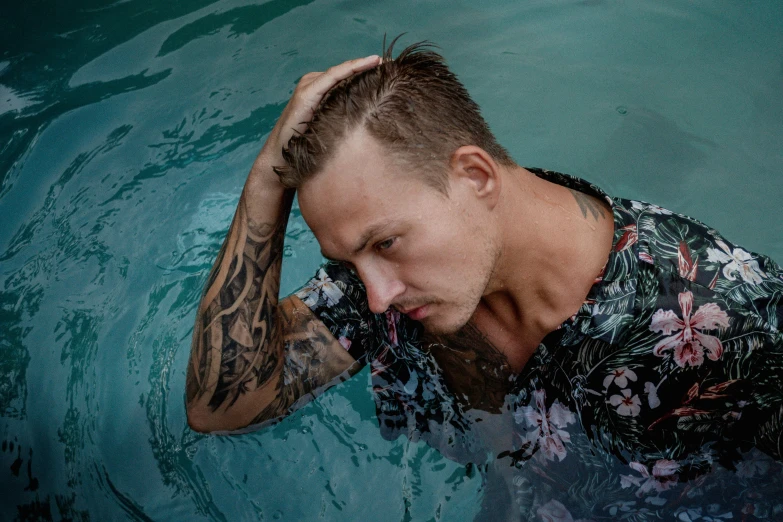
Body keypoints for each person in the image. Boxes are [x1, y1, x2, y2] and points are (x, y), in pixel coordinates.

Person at [186, 39, 783, 519]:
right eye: (351, 260)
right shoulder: (398, 277)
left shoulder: (720, 315)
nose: (375, 296)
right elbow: (225, 407)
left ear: (474, 175)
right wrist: (268, 178)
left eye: (386, 243)